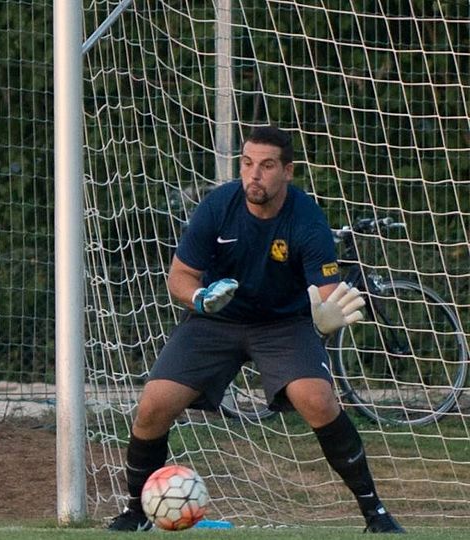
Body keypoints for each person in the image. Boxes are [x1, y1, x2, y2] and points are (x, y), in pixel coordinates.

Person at [107, 126, 404, 534]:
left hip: (284, 324)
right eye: (247, 164)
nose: (254, 175)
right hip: (215, 319)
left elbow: (327, 292)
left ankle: (376, 514)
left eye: (266, 166)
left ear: (288, 171)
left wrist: (326, 314)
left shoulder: (307, 219)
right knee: (153, 405)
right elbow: (179, 276)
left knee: (317, 400)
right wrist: (200, 298)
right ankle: (135, 513)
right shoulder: (218, 206)